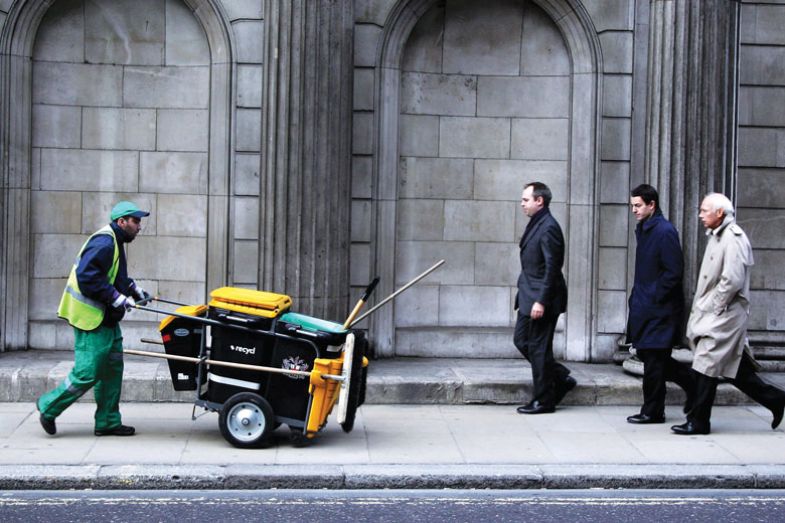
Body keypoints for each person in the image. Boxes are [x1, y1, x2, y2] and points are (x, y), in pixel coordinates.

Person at [672, 193, 785, 435]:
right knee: (735, 370)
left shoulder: (733, 238)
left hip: (724, 315)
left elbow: (731, 280)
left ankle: (699, 421)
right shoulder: (718, 236)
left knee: (705, 363)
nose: (700, 215)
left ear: (719, 213)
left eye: (704, 210)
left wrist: (713, 308)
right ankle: (775, 399)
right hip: (721, 313)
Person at [36, 201, 151, 437]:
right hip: (91, 319)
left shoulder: (115, 242)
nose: (139, 227)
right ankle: (48, 407)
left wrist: (133, 290)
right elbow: (87, 277)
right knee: (87, 373)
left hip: (106, 320)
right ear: (122, 222)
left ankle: (108, 421)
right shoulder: (105, 242)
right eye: (136, 221)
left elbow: (114, 277)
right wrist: (117, 298)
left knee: (111, 371)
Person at [625, 184, 695, 424]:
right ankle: (693, 384)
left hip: (659, 307)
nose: (633, 210)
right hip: (647, 305)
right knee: (651, 357)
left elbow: (673, 272)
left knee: (654, 361)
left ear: (651, 205)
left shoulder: (664, 231)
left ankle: (653, 411)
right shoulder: (645, 229)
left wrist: (653, 296)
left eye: (638, 205)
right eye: (632, 205)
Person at [514, 182, 575, 414]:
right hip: (529, 296)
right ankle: (560, 378)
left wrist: (541, 300)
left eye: (526, 200)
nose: (522, 204)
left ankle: (543, 400)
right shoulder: (537, 223)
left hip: (542, 298)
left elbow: (552, 267)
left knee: (539, 349)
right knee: (522, 341)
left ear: (540, 201)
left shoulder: (549, 226)